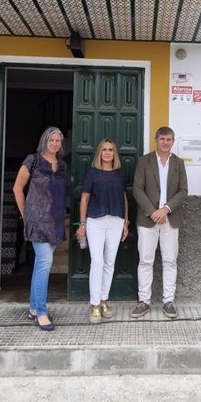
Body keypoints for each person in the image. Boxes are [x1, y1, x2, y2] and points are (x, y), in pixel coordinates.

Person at [13, 126, 67, 332]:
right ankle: (42, 314)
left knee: (40, 266)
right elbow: (17, 188)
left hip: (55, 220)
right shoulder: (32, 160)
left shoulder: (62, 164)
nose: (55, 144)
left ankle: (34, 309)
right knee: (45, 263)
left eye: (58, 141)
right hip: (37, 220)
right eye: (51, 140)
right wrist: (25, 213)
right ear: (44, 141)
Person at [131, 126, 188, 319]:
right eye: (162, 139)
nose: (165, 142)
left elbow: (183, 191)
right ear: (156, 140)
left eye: (169, 139)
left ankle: (168, 302)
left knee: (170, 261)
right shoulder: (144, 161)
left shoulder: (179, 163)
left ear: (173, 141)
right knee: (145, 260)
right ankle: (144, 301)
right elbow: (137, 189)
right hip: (147, 219)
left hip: (170, 219)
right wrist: (153, 212)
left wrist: (166, 209)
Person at [75, 139, 129, 324]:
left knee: (110, 262)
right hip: (95, 221)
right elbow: (84, 200)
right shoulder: (92, 173)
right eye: (104, 150)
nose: (107, 153)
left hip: (116, 221)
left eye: (111, 150)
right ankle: (94, 304)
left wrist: (126, 222)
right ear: (99, 152)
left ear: (115, 153)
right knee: (97, 261)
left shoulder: (120, 174)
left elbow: (124, 198)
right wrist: (82, 224)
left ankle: (104, 300)